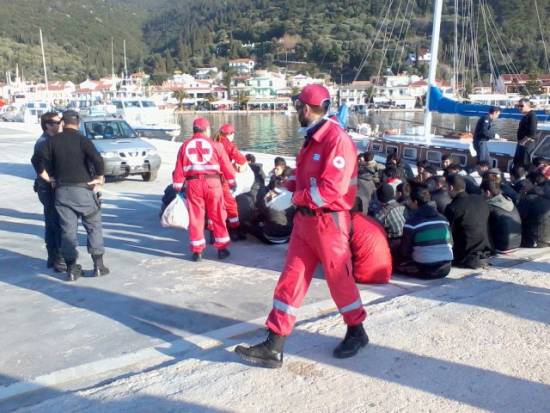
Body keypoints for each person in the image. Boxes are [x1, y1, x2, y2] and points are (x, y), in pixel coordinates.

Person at [235, 84, 367, 368]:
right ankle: (274, 344)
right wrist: (285, 188)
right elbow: (305, 177)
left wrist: (293, 197)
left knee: (339, 280)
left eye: (297, 107)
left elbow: (330, 191)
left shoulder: (336, 141)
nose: (296, 112)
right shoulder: (313, 138)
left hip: (329, 223)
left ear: (305, 109)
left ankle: (357, 331)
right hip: (306, 223)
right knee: (290, 279)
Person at [37, 110, 108, 281]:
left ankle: (71, 269)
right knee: (93, 226)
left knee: (67, 231)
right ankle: (98, 265)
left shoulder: (51, 142)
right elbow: (98, 160)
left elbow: (38, 165)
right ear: (78, 123)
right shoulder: (83, 140)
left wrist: (50, 179)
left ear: (63, 122)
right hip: (83, 190)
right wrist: (99, 178)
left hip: (62, 192)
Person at [172, 117, 236, 261]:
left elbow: (178, 169)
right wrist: (232, 182)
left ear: (193, 129)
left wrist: (177, 186)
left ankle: (197, 251)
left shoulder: (184, 146)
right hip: (213, 184)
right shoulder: (216, 145)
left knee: (196, 218)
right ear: (206, 130)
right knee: (218, 215)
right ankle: (222, 249)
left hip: (193, 185)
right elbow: (226, 166)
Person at [30, 112, 66, 272]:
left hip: (49, 187)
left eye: (61, 121)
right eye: (57, 122)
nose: (61, 124)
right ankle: (58, 259)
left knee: (52, 223)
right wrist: (49, 179)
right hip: (48, 189)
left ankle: (53, 258)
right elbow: (37, 164)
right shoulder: (43, 142)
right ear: (48, 125)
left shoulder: (52, 139)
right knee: (55, 223)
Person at [396, 183, 453, 279]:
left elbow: (405, 251)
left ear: (415, 202)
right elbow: (451, 243)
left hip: (426, 269)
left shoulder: (412, 222)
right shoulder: (443, 219)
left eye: (410, 201)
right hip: (446, 267)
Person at [445, 174, 492, 269]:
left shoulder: (453, 207)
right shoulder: (481, 200)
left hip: (464, 257)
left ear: (450, 187)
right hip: (486, 253)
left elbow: (449, 235)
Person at [213, 123, 247, 239]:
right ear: (230, 134)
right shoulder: (228, 144)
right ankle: (234, 230)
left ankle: (213, 233)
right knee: (230, 204)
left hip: (209, 179)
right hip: (223, 179)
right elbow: (240, 159)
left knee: (213, 205)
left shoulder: (212, 141)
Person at [480, 178, 522, 253]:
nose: (481, 195)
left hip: (501, 246)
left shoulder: (490, 206)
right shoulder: (509, 200)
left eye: (482, 192)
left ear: (487, 193)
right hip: (517, 243)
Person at [373, 183, 407, 254]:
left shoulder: (382, 213)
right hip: (407, 241)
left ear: (380, 198)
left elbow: (375, 230)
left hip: (395, 245)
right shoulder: (402, 206)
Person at [513, 98, 538, 168]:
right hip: (521, 144)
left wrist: (522, 142)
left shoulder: (532, 116)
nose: (519, 108)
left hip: (526, 145)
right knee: (517, 162)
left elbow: (532, 133)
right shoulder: (525, 116)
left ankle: (523, 178)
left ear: (528, 105)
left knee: (524, 164)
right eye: (518, 106)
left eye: (521, 106)